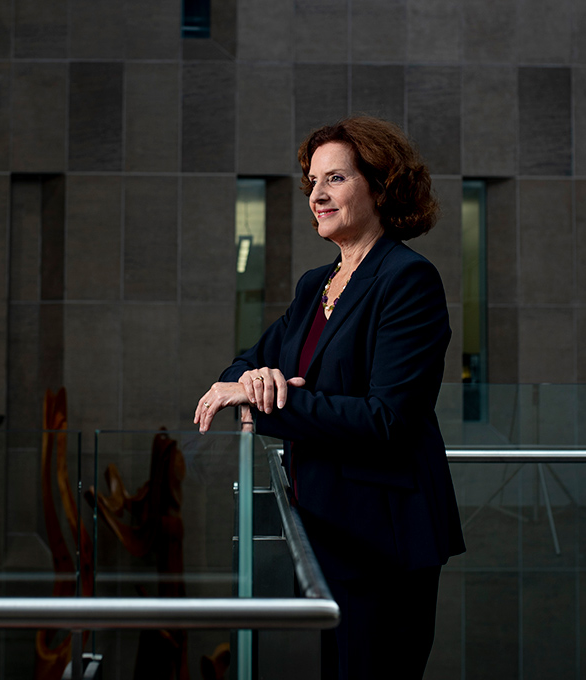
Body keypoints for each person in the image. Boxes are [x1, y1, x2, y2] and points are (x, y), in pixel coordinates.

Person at [193, 116, 465, 679]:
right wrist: (254, 380)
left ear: (380, 185)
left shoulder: (408, 279)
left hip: (381, 539)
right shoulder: (315, 284)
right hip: (323, 529)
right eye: (312, 181)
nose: (316, 195)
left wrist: (279, 403)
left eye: (335, 179)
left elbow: (387, 419)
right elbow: (248, 361)